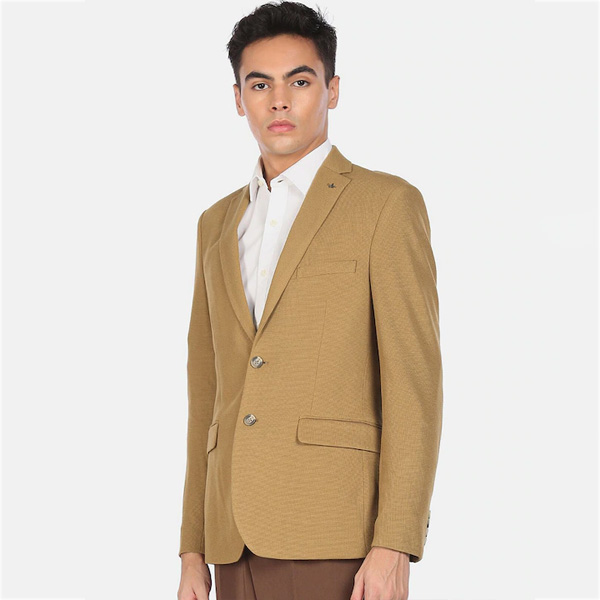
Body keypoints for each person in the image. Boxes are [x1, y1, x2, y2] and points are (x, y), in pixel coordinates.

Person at [177, 2, 443, 599]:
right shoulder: (215, 224)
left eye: (299, 82)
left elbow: (414, 384)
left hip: (335, 534)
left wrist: (395, 540)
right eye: (260, 85)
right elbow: (205, 394)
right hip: (229, 541)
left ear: (333, 90)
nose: (279, 101)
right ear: (238, 99)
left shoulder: (385, 205)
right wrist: (192, 547)